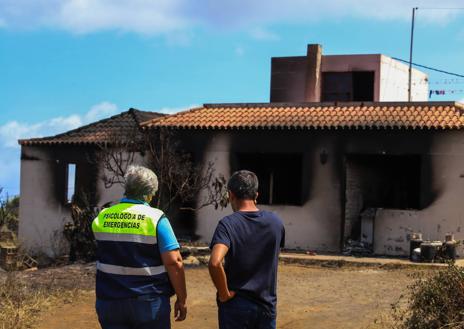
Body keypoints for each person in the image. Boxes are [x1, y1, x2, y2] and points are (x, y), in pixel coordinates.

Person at [91, 165, 187, 329]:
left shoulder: (102, 217)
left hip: (109, 300)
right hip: (148, 302)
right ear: (149, 194)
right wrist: (182, 298)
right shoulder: (156, 219)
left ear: (127, 188)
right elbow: (174, 262)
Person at [208, 170, 285, 329]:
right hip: (266, 305)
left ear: (230, 195)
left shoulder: (227, 224)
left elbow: (215, 263)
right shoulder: (276, 223)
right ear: (256, 195)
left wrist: (224, 294)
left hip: (236, 306)